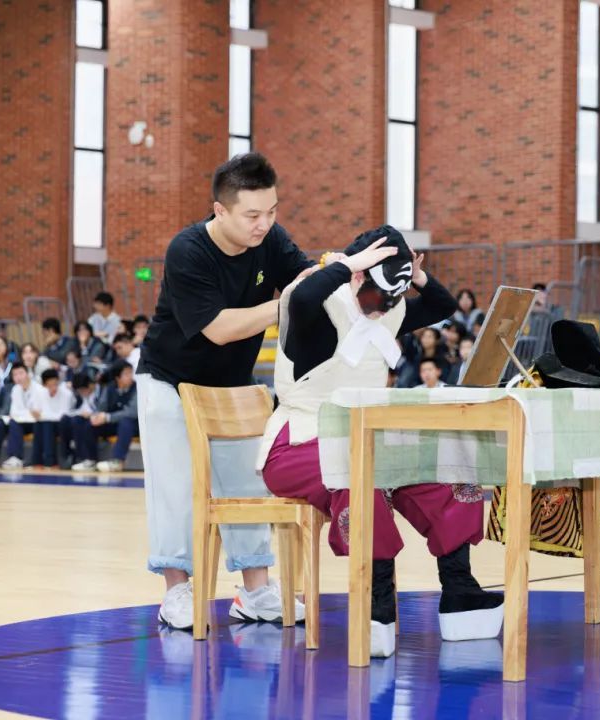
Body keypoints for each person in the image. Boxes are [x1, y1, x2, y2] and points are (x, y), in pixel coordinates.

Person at [258, 226, 502, 658]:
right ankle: (377, 600)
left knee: (446, 469)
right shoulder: (316, 305)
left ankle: (460, 588)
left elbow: (442, 305)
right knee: (360, 474)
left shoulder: (387, 311)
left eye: (396, 295)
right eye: (380, 293)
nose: (387, 305)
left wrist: (417, 275)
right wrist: (347, 264)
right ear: (357, 276)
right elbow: (301, 297)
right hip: (298, 441)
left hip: (365, 439)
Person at [136, 153, 315, 631]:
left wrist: (339, 272)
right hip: (169, 381)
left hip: (232, 385)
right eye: (252, 215)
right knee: (175, 487)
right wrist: (285, 304)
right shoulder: (188, 250)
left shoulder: (271, 239)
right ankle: (176, 590)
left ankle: (255, 591)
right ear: (220, 210)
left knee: (247, 485)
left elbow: (305, 282)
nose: (264, 224)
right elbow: (218, 328)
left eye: (271, 211)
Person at [0, 364, 45, 469]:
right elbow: (14, 412)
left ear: (28, 374)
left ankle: (16, 458)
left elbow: (37, 413)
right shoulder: (15, 389)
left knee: (14, 422)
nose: (18, 377)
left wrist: (22, 415)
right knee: (0, 423)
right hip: (19, 422)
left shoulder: (39, 389)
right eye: (15, 375)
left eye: (21, 373)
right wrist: (23, 414)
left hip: (34, 423)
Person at [29, 368, 73, 467]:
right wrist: (38, 414)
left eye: (55, 384)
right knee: (39, 424)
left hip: (62, 426)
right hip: (46, 424)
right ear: (44, 385)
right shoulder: (40, 393)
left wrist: (43, 415)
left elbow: (64, 416)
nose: (53, 388)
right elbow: (35, 411)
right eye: (50, 385)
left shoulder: (66, 393)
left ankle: (50, 460)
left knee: (47, 424)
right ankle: (37, 461)